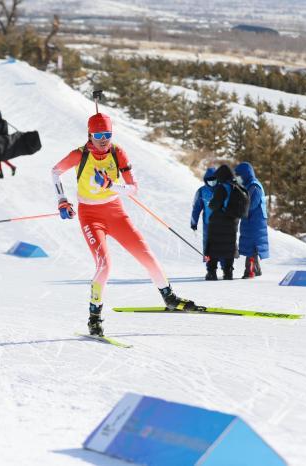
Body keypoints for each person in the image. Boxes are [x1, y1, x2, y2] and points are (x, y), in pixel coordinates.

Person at [51, 112, 197, 336]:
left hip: (116, 212)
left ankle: (169, 298)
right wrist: (62, 201)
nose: (103, 139)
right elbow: (56, 172)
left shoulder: (117, 152)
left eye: (107, 134)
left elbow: (133, 189)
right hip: (90, 216)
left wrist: (111, 185)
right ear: (90, 134)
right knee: (105, 265)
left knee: (146, 255)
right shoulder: (79, 155)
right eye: (98, 134)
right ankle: (94, 317)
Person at [205, 165, 241, 280]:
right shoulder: (237, 187)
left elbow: (214, 205)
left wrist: (210, 203)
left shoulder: (222, 188)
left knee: (213, 246)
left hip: (219, 221)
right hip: (233, 221)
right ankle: (228, 272)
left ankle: (212, 272)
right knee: (229, 245)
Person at [235, 162, 269, 278]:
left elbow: (251, 205)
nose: (237, 177)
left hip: (255, 222)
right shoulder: (247, 186)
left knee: (252, 246)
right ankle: (256, 269)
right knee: (251, 246)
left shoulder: (254, 186)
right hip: (250, 221)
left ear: (245, 174)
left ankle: (250, 271)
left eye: (238, 175)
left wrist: (239, 208)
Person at [190, 168, 224, 280]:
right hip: (208, 225)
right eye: (209, 180)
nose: (212, 182)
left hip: (222, 224)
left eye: (214, 179)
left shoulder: (223, 189)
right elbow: (196, 208)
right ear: (205, 180)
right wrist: (194, 222)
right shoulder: (201, 191)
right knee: (208, 248)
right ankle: (211, 271)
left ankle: (226, 270)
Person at [0, 110, 16, 179]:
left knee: (0, 157)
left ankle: (9, 169)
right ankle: (8, 169)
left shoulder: (4, 122)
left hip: (4, 141)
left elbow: (4, 131)